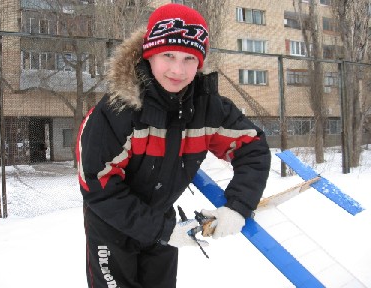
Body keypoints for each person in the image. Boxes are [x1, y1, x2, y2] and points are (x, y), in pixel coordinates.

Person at [77, 3, 271, 288]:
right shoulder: (117, 110)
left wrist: (238, 206)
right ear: (150, 55)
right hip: (112, 225)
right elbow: (98, 186)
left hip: (163, 218)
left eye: (189, 58)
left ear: (200, 63)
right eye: (168, 55)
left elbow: (252, 147)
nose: (178, 70)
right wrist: (161, 230)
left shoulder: (209, 108)